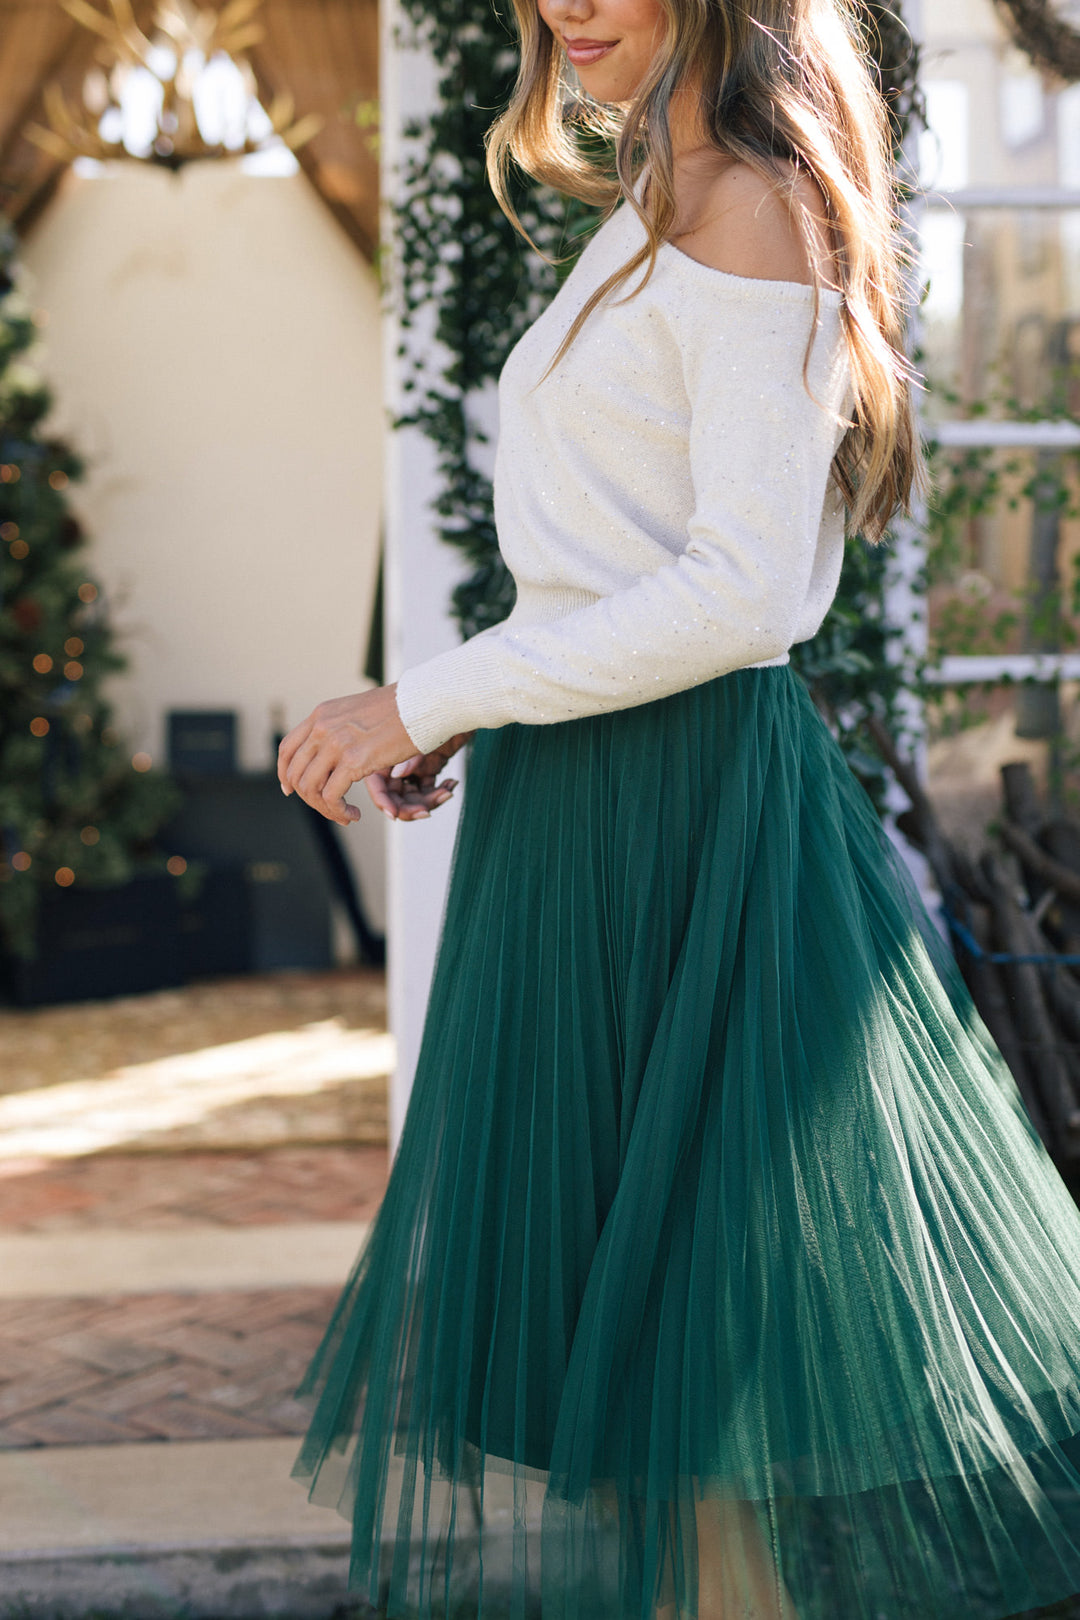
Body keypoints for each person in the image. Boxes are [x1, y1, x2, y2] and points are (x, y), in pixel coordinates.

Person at [276, 1, 1080, 1615]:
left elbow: (741, 593)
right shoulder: (663, 194)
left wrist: (417, 697)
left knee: (708, 1375)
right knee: (661, 1389)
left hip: (686, 824)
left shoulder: (753, 205)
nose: (568, 4)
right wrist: (479, 712)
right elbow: (609, 560)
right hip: (586, 804)